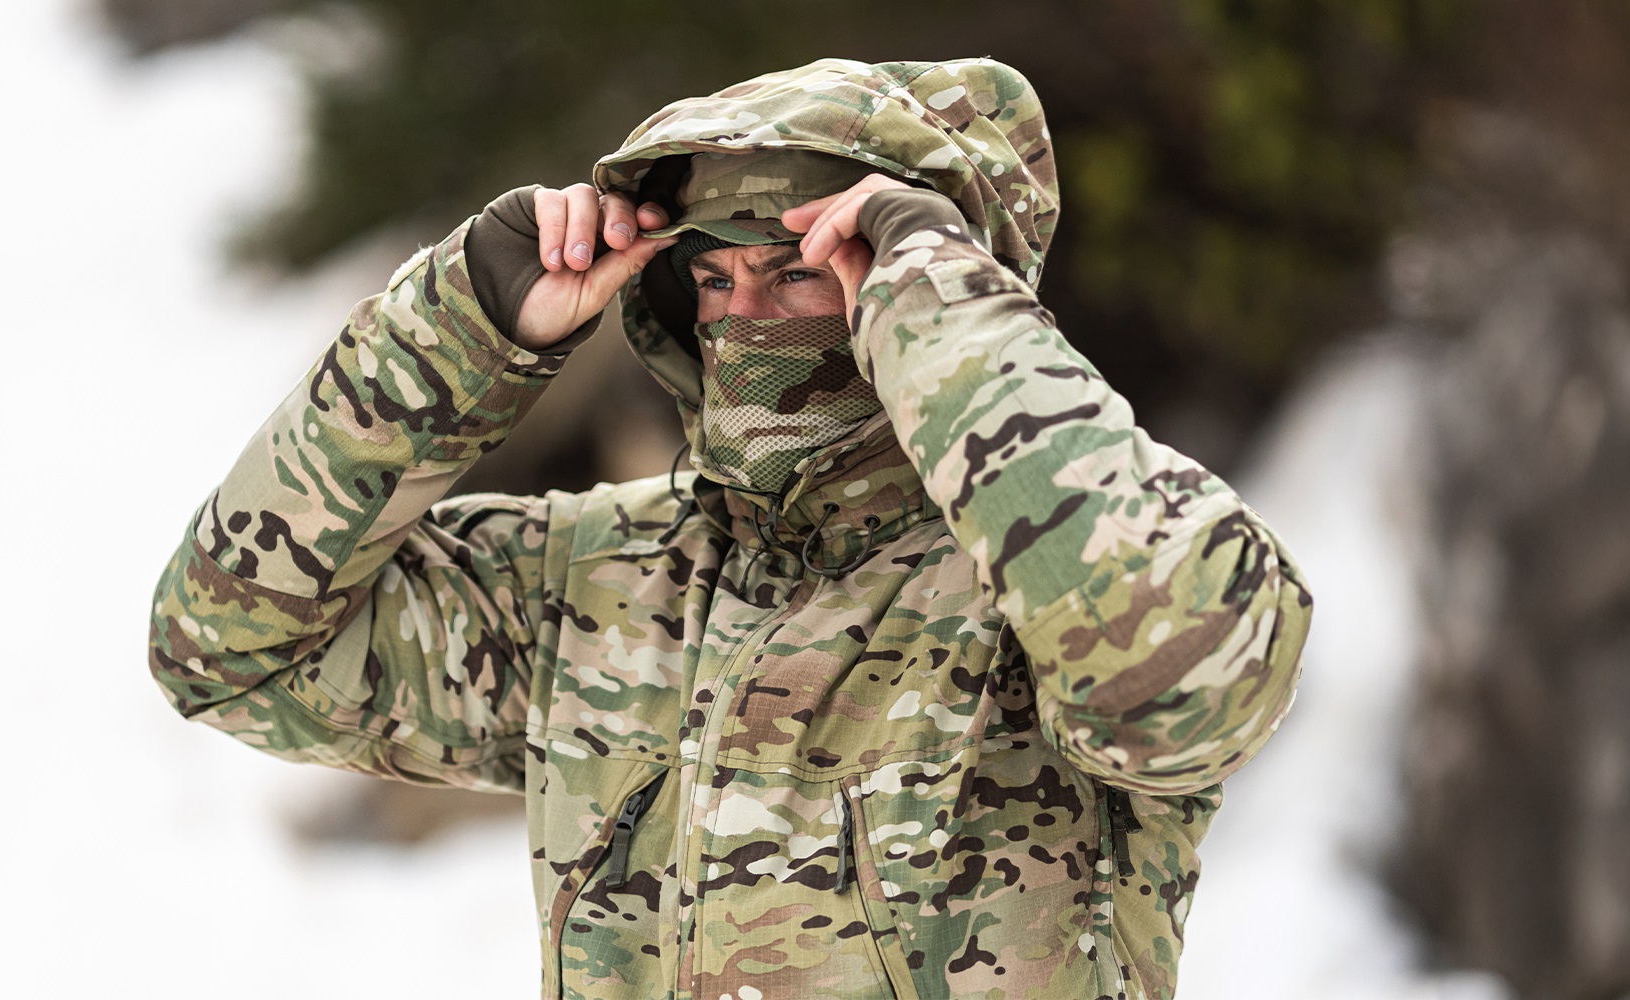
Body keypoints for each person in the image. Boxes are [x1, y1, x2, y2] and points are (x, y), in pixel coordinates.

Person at [148, 56, 1313, 1000]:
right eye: (711, 283)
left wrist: (936, 297)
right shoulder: (596, 581)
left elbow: (1178, 670)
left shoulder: (1046, 589)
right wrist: (459, 324)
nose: (745, 319)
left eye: (801, 274)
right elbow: (228, 648)